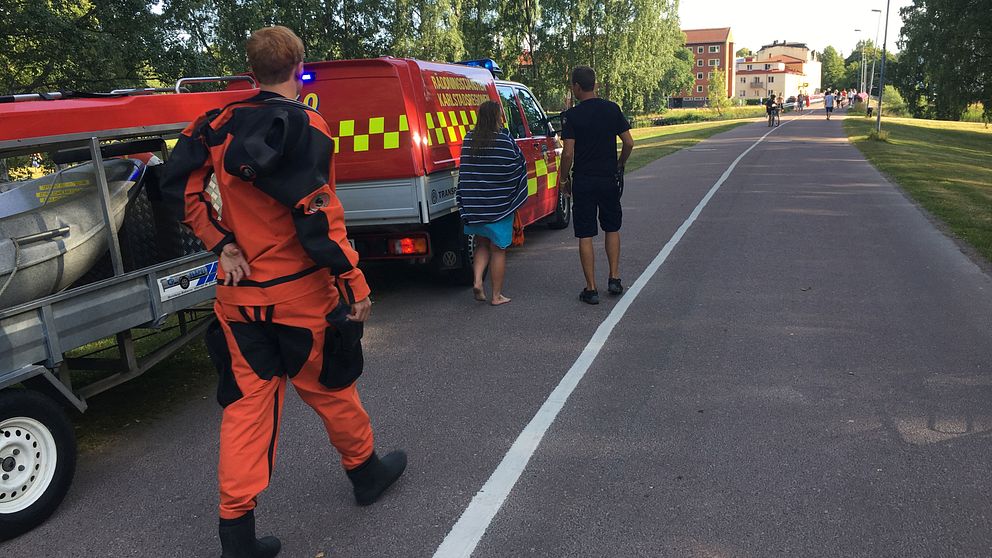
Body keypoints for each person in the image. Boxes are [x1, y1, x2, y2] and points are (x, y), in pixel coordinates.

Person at [162, 26, 406, 558]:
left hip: (239, 298)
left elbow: (175, 187)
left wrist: (219, 241)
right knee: (330, 388)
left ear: (249, 71)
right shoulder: (308, 125)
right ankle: (365, 472)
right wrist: (355, 281)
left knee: (246, 410)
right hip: (302, 297)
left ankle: (237, 535)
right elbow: (320, 213)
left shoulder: (214, 124)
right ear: (300, 64)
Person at [559, 66, 635, 305]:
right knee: (612, 227)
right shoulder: (612, 109)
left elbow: (568, 152)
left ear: (577, 87)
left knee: (585, 233)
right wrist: (620, 164)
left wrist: (564, 178)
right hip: (607, 178)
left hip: (583, 179)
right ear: (596, 85)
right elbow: (629, 142)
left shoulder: (571, 116)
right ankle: (614, 278)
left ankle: (591, 288)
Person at [456, 100, 529, 306]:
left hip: (476, 204)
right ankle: (496, 295)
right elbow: (518, 164)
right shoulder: (505, 140)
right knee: (498, 249)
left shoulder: (469, 139)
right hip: (500, 205)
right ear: (497, 118)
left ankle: (478, 281)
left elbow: (466, 172)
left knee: (481, 243)